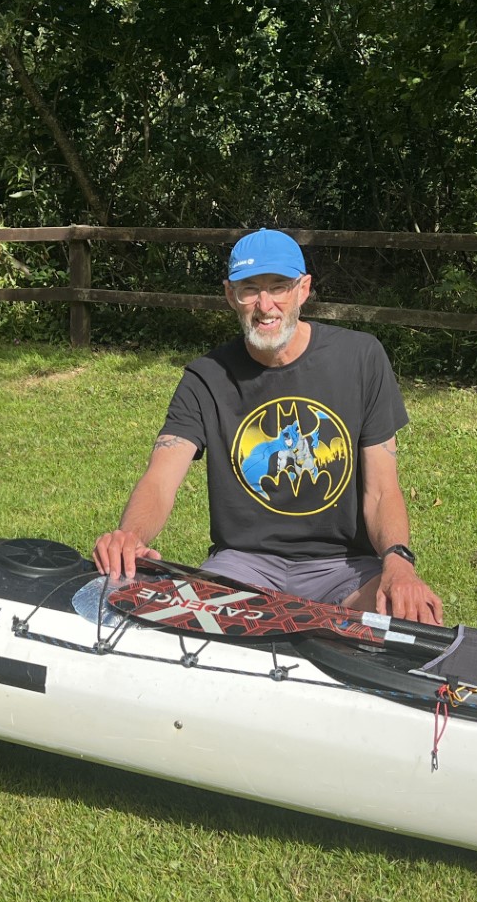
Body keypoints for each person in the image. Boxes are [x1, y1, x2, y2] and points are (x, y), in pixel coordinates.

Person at [93, 228, 443, 625]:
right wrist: (131, 536)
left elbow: (382, 491)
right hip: (243, 567)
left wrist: (398, 563)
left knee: (412, 623)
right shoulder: (207, 377)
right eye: (249, 289)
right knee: (185, 634)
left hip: (344, 567)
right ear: (230, 295)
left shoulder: (360, 359)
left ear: (303, 289)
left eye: (279, 286)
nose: (265, 305)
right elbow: (160, 478)